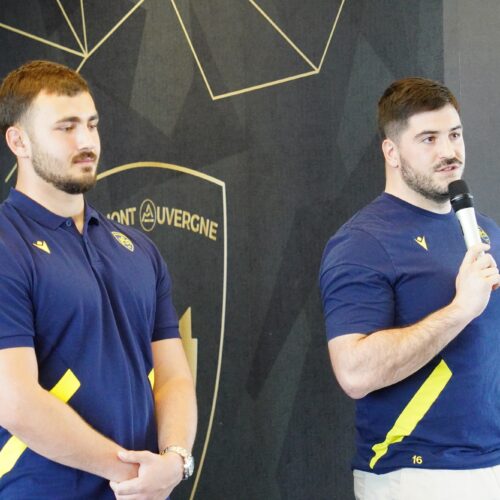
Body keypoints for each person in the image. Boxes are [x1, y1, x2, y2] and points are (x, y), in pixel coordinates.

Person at [0, 60, 197, 499]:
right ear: (18, 141)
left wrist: (175, 459)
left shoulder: (138, 249)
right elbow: (13, 399)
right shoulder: (6, 245)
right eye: (66, 127)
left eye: (91, 125)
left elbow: (173, 378)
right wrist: (134, 473)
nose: (87, 141)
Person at [319, 77, 500, 499]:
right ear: (391, 152)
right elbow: (354, 373)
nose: (449, 151)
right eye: (428, 139)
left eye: (454, 134)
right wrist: (459, 310)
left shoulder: (484, 230)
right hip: (416, 473)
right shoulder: (363, 241)